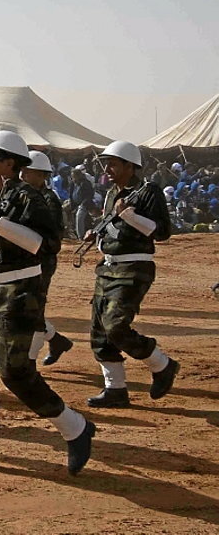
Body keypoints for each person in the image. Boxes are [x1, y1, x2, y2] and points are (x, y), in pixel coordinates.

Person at [0, 133, 94, 474]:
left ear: (11, 161)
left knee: (15, 372)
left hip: (17, 294)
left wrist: (2, 226)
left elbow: (48, 245)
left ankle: (75, 427)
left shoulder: (29, 197)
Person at [83, 141, 179, 409]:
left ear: (130, 166)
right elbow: (115, 228)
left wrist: (128, 214)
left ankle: (162, 364)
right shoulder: (113, 194)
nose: (107, 168)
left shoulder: (148, 192)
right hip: (107, 268)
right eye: (106, 163)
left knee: (116, 326)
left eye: (113, 163)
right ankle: (115, 389)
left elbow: (161, 232)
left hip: (134, 267)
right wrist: (97, 233)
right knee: (100, 333)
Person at [22, 151, 74, 366]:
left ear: (41, 175)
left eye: (28, 171)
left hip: (41, 260)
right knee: (27, 308)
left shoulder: (48, 199)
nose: (23, 174)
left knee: (34, 309)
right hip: (25, 260)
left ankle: (29, 360)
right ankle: (56, 340)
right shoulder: (24, 194)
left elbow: (51, 236)